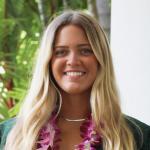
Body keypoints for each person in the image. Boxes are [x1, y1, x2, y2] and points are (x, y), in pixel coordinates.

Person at [0, 10, 150, 150]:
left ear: (100, 59)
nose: (72, 61)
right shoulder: (9, 134)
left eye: (85, 50)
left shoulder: (138, 137)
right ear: (48, 62)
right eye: (61, 52)